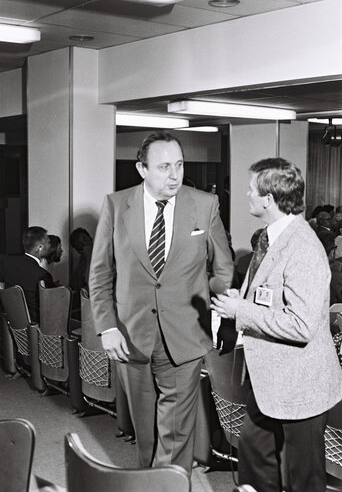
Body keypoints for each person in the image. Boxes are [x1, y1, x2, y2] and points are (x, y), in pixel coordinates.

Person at [89, 131, 234, 474]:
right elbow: (99, 274)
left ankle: (168, 486)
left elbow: (223, 267)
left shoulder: (204, 204)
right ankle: (147, 482)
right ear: (142, 169)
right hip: (131, 335)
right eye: (164, 167)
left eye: (179, 165)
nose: (175, 175)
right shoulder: (115, 205)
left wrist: (215, 308)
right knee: (146, 434)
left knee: (175, 434)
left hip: (184, 335)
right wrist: (107, 326)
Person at [211, 158, 342, 492]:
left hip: (301, 384)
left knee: (303, 476)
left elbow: (301, 325)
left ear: (268, 199)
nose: (246, 194)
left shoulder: (303, 247)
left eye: (251, 189)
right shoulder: (270, 238)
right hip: (272, 381)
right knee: (255, 452)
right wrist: (240, 300)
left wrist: (242, 310)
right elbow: (270, 295)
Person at [0, 226, 54, 322]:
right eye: (49, 242)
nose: (50, 245)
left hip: (12, 324)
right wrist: (46, 272)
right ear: (39, 248)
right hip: (36, 327)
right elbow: (52, 304)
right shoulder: (42, 274)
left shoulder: (7, 262)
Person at [69, 227, 93, 292]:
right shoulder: (81, 265)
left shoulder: (103, 254)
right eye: (80, 243)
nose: (84, 243)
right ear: (79, 251)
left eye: (84, 239)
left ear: (90, 238)